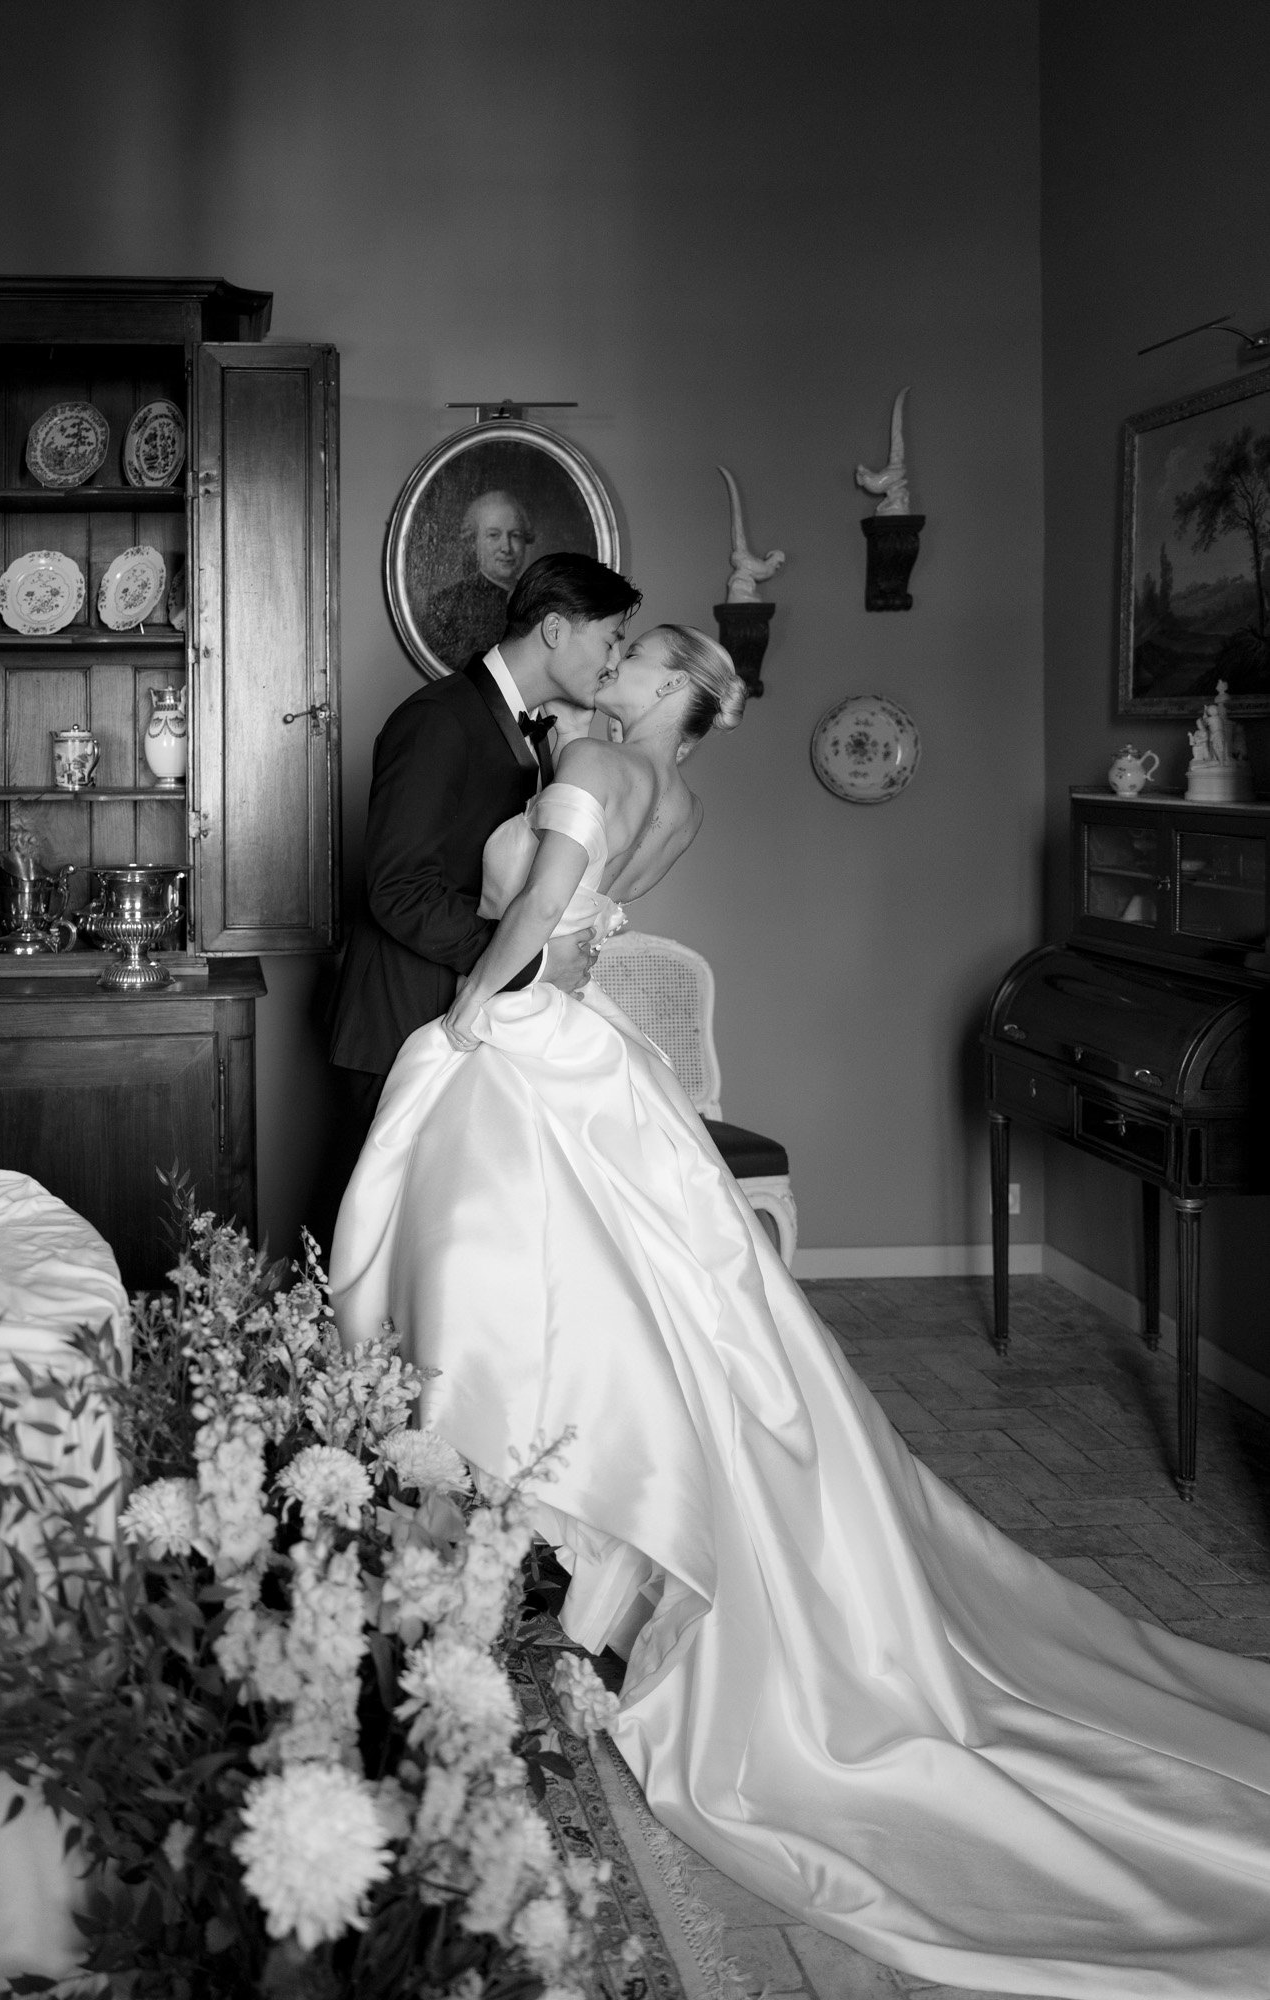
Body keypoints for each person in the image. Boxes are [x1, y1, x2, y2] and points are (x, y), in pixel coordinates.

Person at [329, 627, 1270, 2000]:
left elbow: (540, 919)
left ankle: (543, 1554)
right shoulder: (683, 790)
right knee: (632, 1319)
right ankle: (568, 1557)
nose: (619, 669)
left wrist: (472, 1010)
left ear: (672, 696)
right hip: (594, 1052)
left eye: (641, 659)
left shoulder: (590, 754)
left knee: (514, 1297)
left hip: (529, 1040)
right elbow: (601, 910)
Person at [325, 551, 642, 1130]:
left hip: (471, 1024)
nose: (614, 662)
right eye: (611, 640)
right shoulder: (438, 719)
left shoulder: (542, 731)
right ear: (554, 629)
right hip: (403, 1021)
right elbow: (398, 889)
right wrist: (531, 962)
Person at [422, 489, 535, 670]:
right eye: (493, 535)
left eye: (515, 535)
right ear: (474, 542)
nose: (506, 547)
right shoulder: (446, 605)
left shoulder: (540, 600)